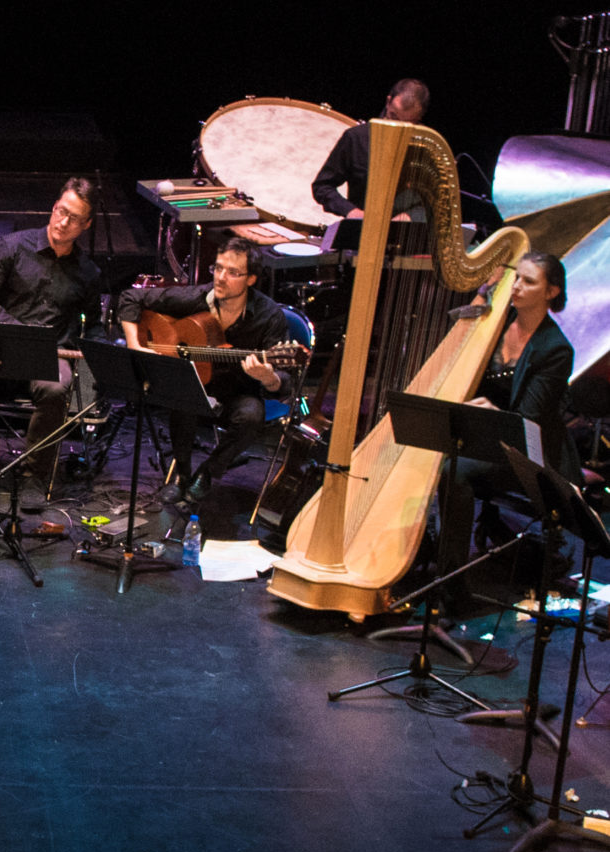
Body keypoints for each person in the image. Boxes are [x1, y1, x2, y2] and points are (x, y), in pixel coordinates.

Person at [0, 177, 103, 517]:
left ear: (86, 225)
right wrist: (18, 331)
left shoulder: (88, 272)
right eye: (61, 211)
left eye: (74, 218)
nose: (63, 222)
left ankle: (35, 478)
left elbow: (95, 325)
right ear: (53, 207)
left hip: (49, 356)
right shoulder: (13, 246)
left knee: (56, 388)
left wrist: (97, 354)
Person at [437, 253, 576, 608]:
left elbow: (528, 419)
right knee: (427, 444)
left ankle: (452, 583)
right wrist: (482, 294)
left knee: (455, 469)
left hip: (526, 452)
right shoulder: (496, 321)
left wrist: (493, 412)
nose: (516, 286)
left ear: (551, 292)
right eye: (516, 278)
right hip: (483, 435)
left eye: (529, 282)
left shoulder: (555, 349)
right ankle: (421, 550)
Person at [118, 236, 290, 503]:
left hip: (237, 392)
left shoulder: (269, 316)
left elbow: (285, 381)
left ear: (251, 279)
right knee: (183, 396)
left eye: (233, 273)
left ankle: (208, 473)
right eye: (218, 268)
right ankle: (182, 474)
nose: (221, 278)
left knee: (252, 416)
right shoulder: (195, 298)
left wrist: (269, 378)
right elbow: (131, 297)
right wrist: (134, 345)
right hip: (194, 386)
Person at [312, 79, 430, 221]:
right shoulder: (356, 138)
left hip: (405, 235)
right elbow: (322, 186)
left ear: (417, 119)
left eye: (405, 123)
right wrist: (352, 211)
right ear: (388, 101)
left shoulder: (425, 147)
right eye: (393, 115)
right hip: (361, 230)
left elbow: (431, 202)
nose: (396, 125)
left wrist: (410, 216)